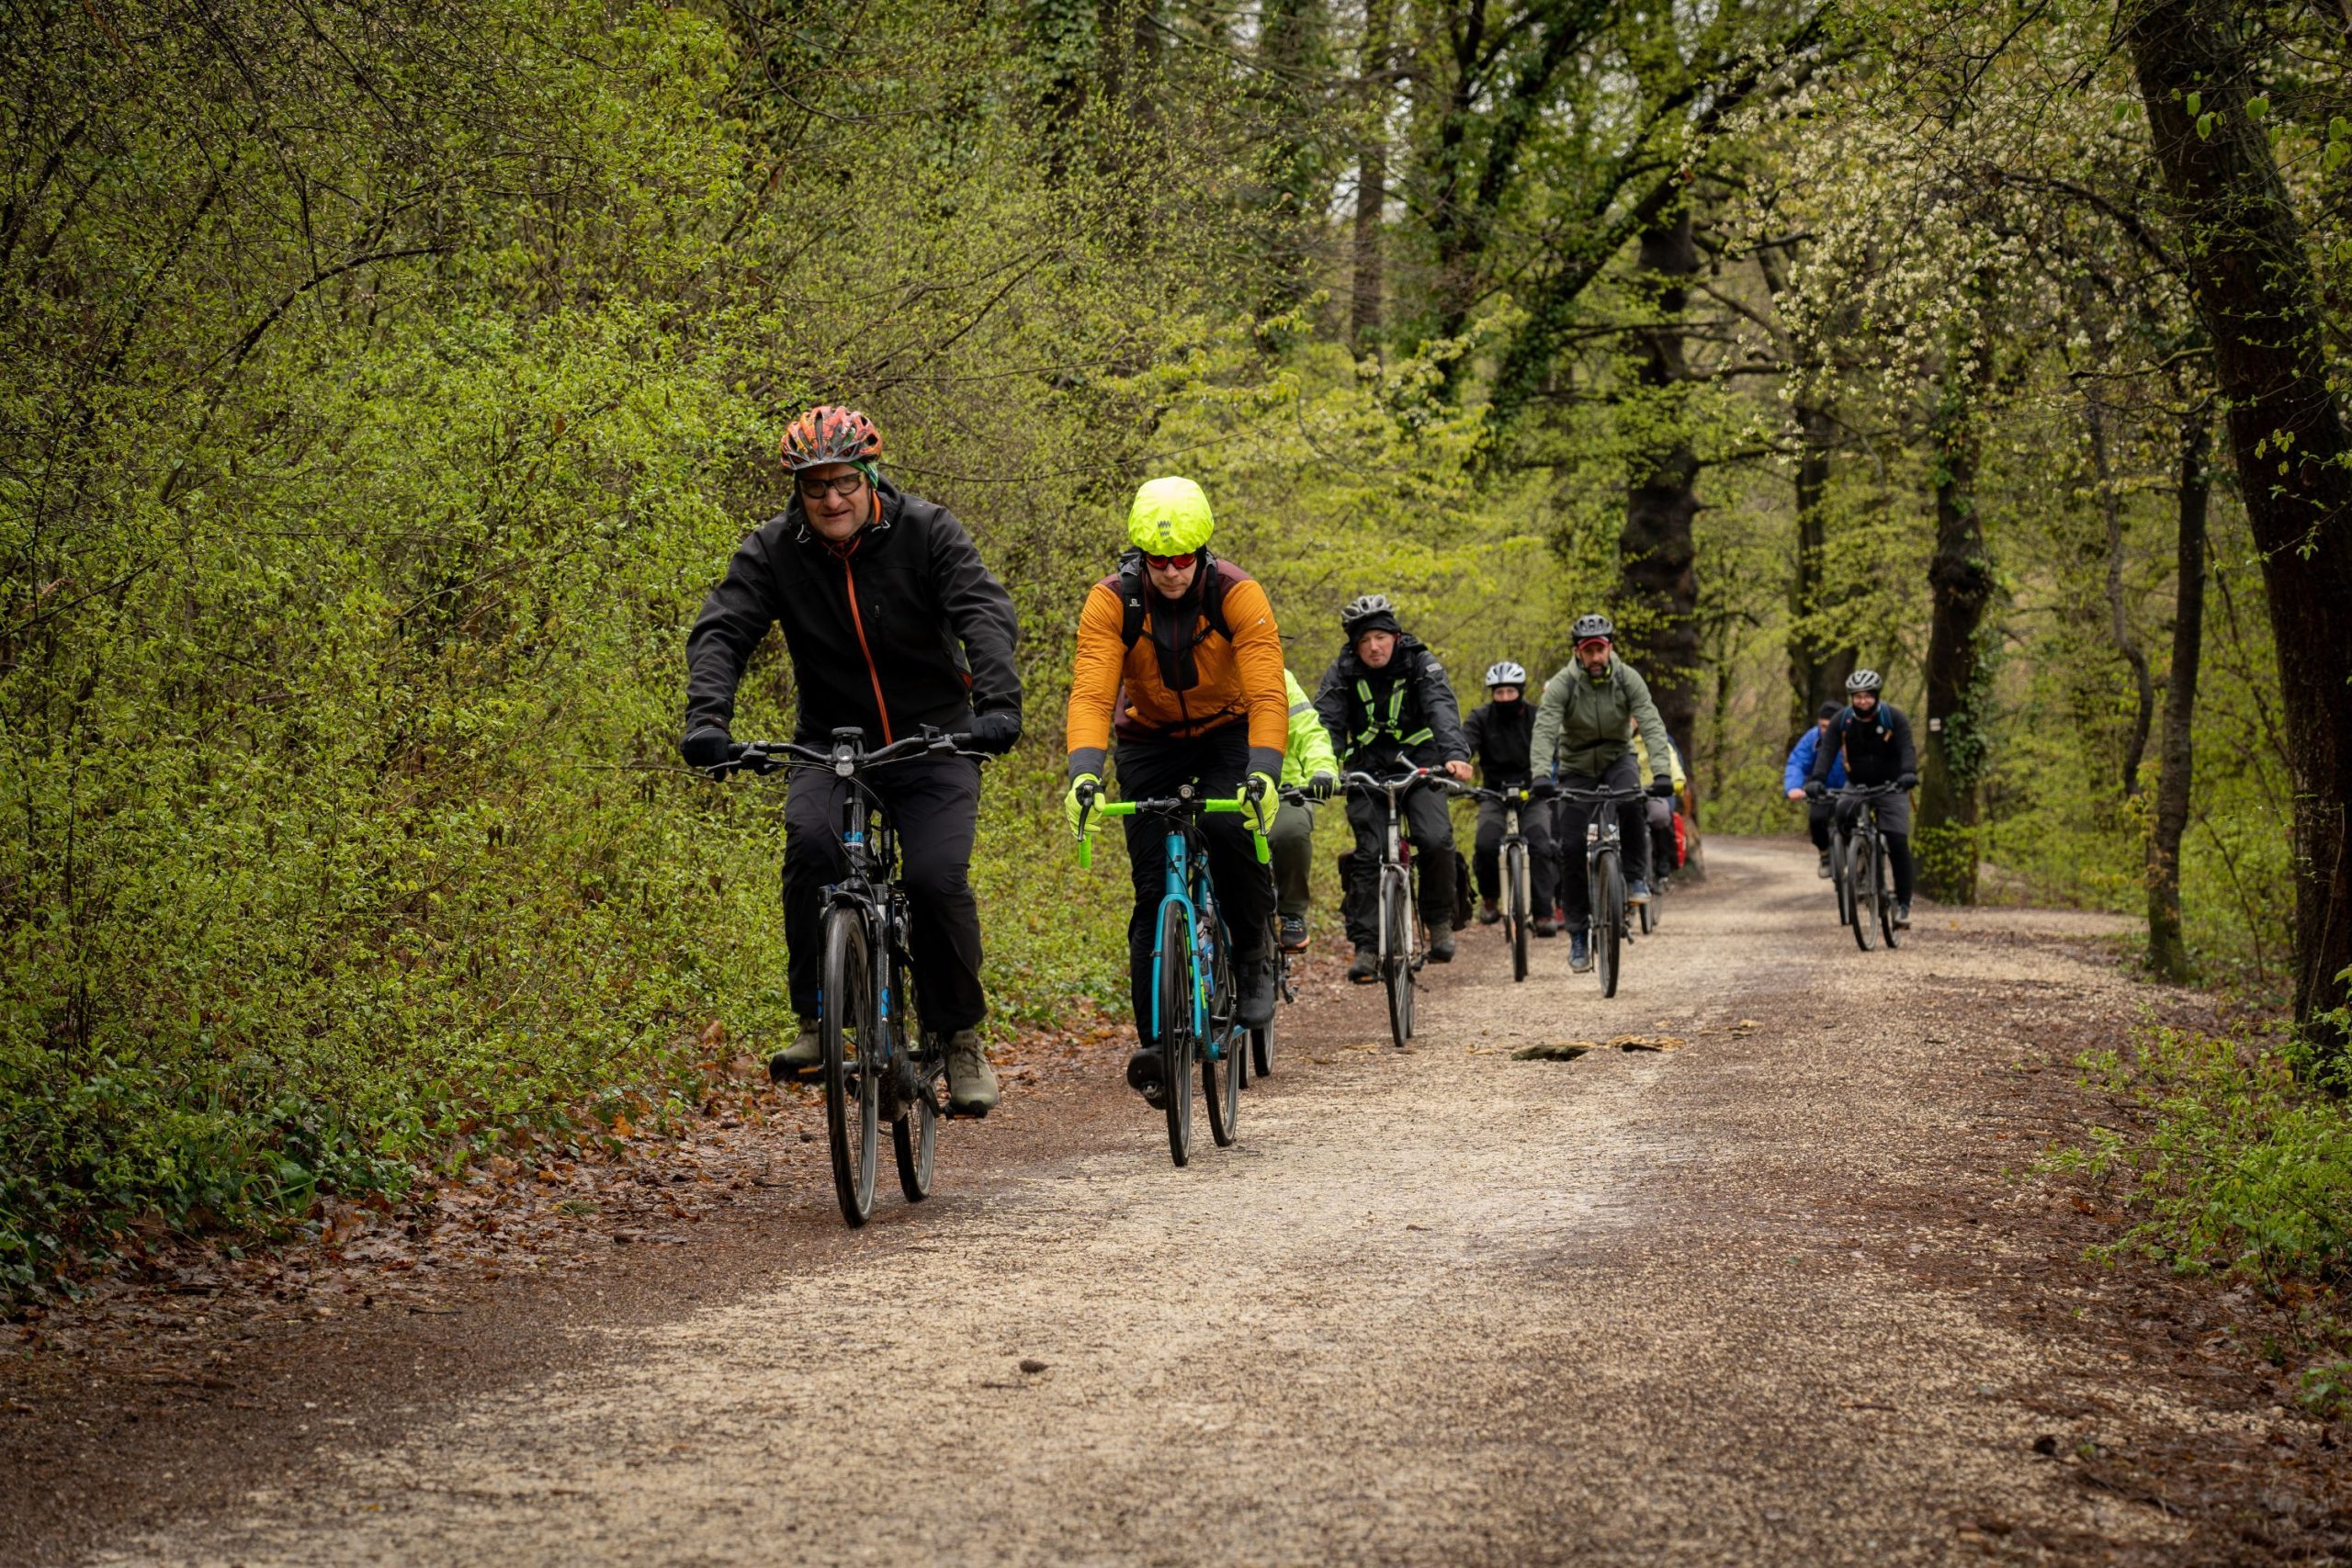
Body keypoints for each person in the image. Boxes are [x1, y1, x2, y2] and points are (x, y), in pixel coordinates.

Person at [683, 405, 1023, 1115]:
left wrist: (996, 705)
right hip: (830, 743)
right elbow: (723, 629)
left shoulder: (929, 531)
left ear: (870, 478)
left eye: (844, 483)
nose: (832, 500)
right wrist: (708, 718)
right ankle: (817, 1020)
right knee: (810, 845)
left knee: (933, 878)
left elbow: (981, 611)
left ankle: (959, 1037)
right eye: (815, 488)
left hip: (935, 739)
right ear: (798, 493)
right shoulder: (774, 550)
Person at [1063, 477, 1286, 1108]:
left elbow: (1269, 692)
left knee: (1226, 827)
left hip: (1228, 733)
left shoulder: (1237, 593)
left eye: (1182, 559)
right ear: (1139, 555)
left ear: (1202, 552)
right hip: (1149, 740)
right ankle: (1158, 1046)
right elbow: (1092, 693)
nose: (1169, 571)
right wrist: (1085, 771)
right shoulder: (1113, 602)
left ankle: (1252, 959)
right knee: (1152, 886)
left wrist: (1263, 771)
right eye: (1156, 560)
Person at [1312, 594, 1474, 982]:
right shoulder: (1342, 671)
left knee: (1434, 839)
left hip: (1421, 762)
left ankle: (1438, 921)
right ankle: (1367, 946)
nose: (1373, 646)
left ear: (1395, 636)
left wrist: (1453, 754)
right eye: (1365, 640)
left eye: (1381, 637)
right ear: (1354, 644)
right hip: (1366, 769)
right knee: (1368, 854)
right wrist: (1321, 768)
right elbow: (1327, 723)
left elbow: (1441, 707)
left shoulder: (1421, 661)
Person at [1528, 613, 1674, 973]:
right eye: (1589, 650)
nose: (1595, 657)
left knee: (1630, 802)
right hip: (1576, 766)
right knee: (1571, 846)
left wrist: (1662, 772)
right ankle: (1578, 934)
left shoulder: (1628, 679)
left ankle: (1636, 876)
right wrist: (1540, 775)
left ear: (1610, 649)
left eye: (1601, 649)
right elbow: (1545, 728)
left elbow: (1652, 723)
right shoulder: (1564, 683)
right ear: (1578, 652)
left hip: (1617, 757)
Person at [1804, 669, 1918, 927]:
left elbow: (1907, 748)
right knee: (1843, 814)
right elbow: (1827, 752)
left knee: (1898, 840)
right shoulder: (1842, 721)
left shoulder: (1894, 718)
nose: (1863, 701)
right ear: (1851, 698)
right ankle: (1860, 857)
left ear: (1876, 696)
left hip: (1891, 786)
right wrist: (1817, 780)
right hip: (1856, 784)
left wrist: (1909, 773)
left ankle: (1903, 903)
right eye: (1858, 697)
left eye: (1868, 696)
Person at [1462, 661, 1560, 936]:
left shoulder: (1537, 717)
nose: (1504, 697)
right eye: (1499, 692)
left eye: (1510, 692)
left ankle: (1543, 912)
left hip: (1533, 792)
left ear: (1520, 691)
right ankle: (1491, 898)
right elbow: (1464, 744)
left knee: (1540, 842)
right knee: (1486, 842)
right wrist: (1457, 763)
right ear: (1492, 693)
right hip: (1494, 792)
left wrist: (1557, 776)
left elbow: (1556, 748)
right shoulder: (1480, 717)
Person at [1269, 668, 1340, 953]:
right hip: (1226, 791)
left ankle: (1292, 913)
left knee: (1291, 833)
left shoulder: (1279, 677)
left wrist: (1322, 769)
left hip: (1285, 789)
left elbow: (1309, 730)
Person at [1783, 702, 1846, 877]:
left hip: (1852, 789)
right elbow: (1798, 762)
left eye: (1831, 726)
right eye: (1823, 726)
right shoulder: (1812, 739)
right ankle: (1825, 853)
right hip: (1822, 789)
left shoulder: (1854, 736)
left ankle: (1862, 855)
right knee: (1816, 819)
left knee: (1855, 820)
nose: (1827, 731)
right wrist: (1793, 787)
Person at [1631, 725, 1689, 888]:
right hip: (1625, 791)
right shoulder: (1613, 738)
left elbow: (1671, 759)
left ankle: (1662, 859)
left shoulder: (1655, 737)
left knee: (1660, 816)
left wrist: (1678, 780)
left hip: (1652, 789)